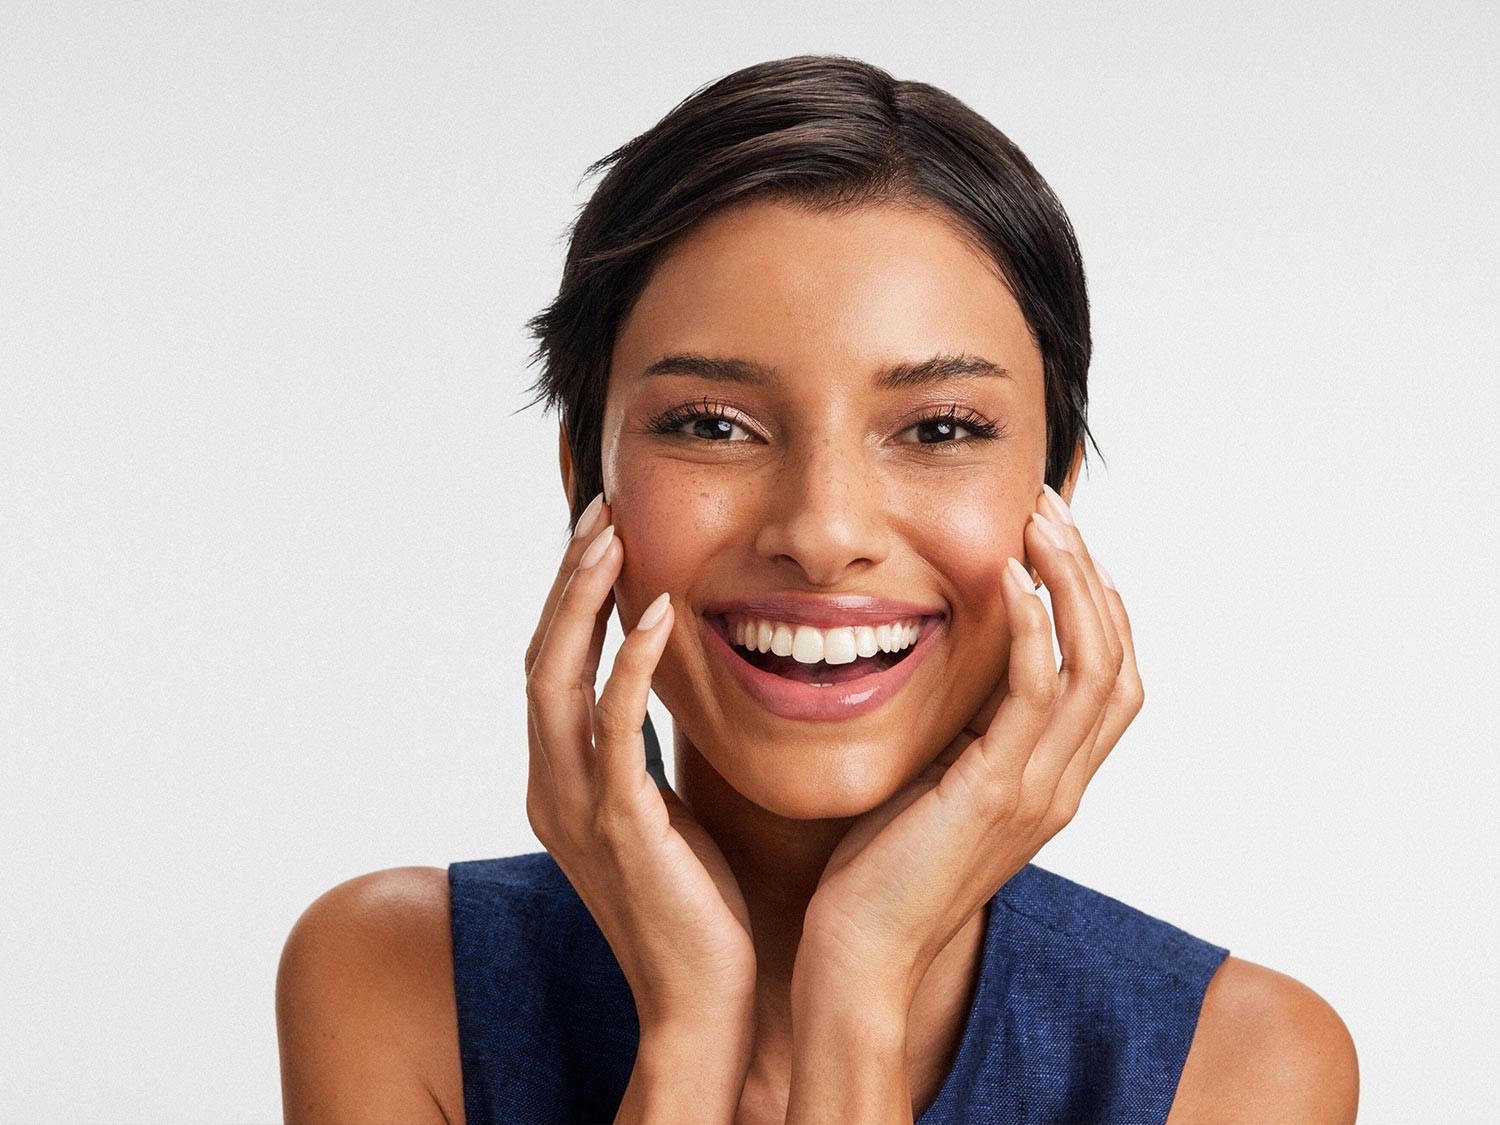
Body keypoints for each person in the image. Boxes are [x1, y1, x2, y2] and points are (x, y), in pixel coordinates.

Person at [275, 55, 1359, 1123]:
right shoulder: (397, 986)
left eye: (940, 430)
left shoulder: (1241, 1067)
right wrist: (690, 1032)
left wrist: (863, 982)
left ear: (1055, 494)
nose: (823, 533)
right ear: (585, 483)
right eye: (712, 426)